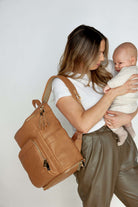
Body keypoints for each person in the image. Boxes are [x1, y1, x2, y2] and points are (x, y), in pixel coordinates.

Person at [52, 25, 138, 207]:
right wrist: (112, 94)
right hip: (97, 147)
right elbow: (83, 124)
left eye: (103, 52)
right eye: (98, 53)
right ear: (83, 51)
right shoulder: (62, 83)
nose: (103, 58)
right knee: (97, 204)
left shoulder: (102, 75)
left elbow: (131, 97)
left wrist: (128, 116)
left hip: (122, 142)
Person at [104, 42, 138, 146]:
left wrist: (108, 85)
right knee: (126, 121)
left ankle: (121, 133)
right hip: (131, 106)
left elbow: (118, 80)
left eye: (120, 63)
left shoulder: (127, 71)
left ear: (132, 60)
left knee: (109, 118)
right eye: (114, 63)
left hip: (122, 106)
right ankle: (130, 130)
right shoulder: (135, 71)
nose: (116, 66)